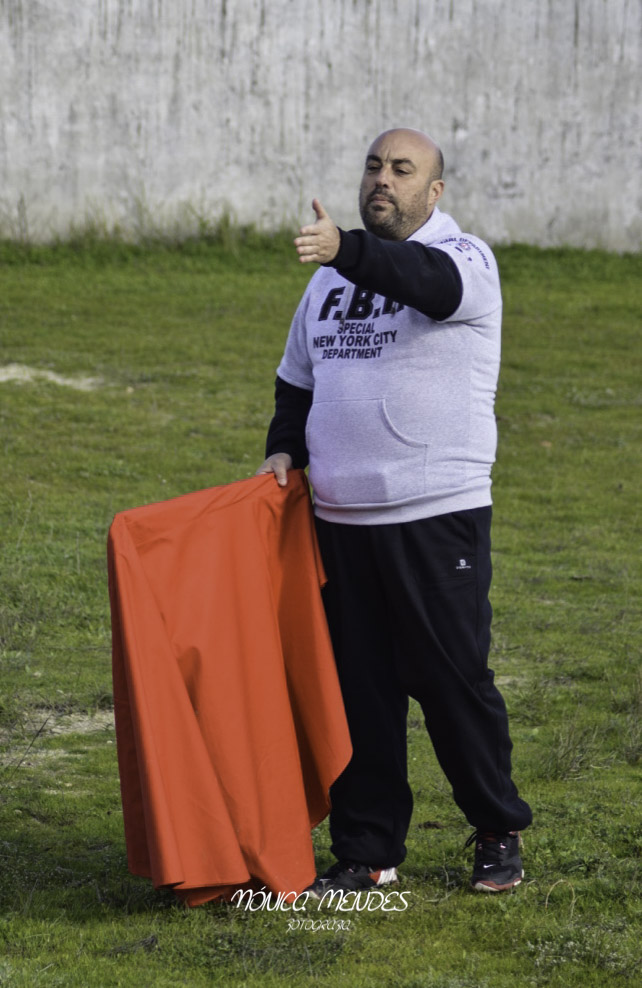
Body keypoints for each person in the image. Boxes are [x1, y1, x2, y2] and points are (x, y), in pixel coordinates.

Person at [256, 128, 532, 894]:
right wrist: (285, 448)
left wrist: (345, 249)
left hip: (435, 515)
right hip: (341, 523)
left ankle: (496, 828)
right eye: (375, 166)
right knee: (359, 693)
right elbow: (296, 379)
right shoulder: (327, 281)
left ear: (434, 191)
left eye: (402, 170)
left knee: (451, 683)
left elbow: (424, 284)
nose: (383, 178)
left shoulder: (465, 260)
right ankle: (367, 850)